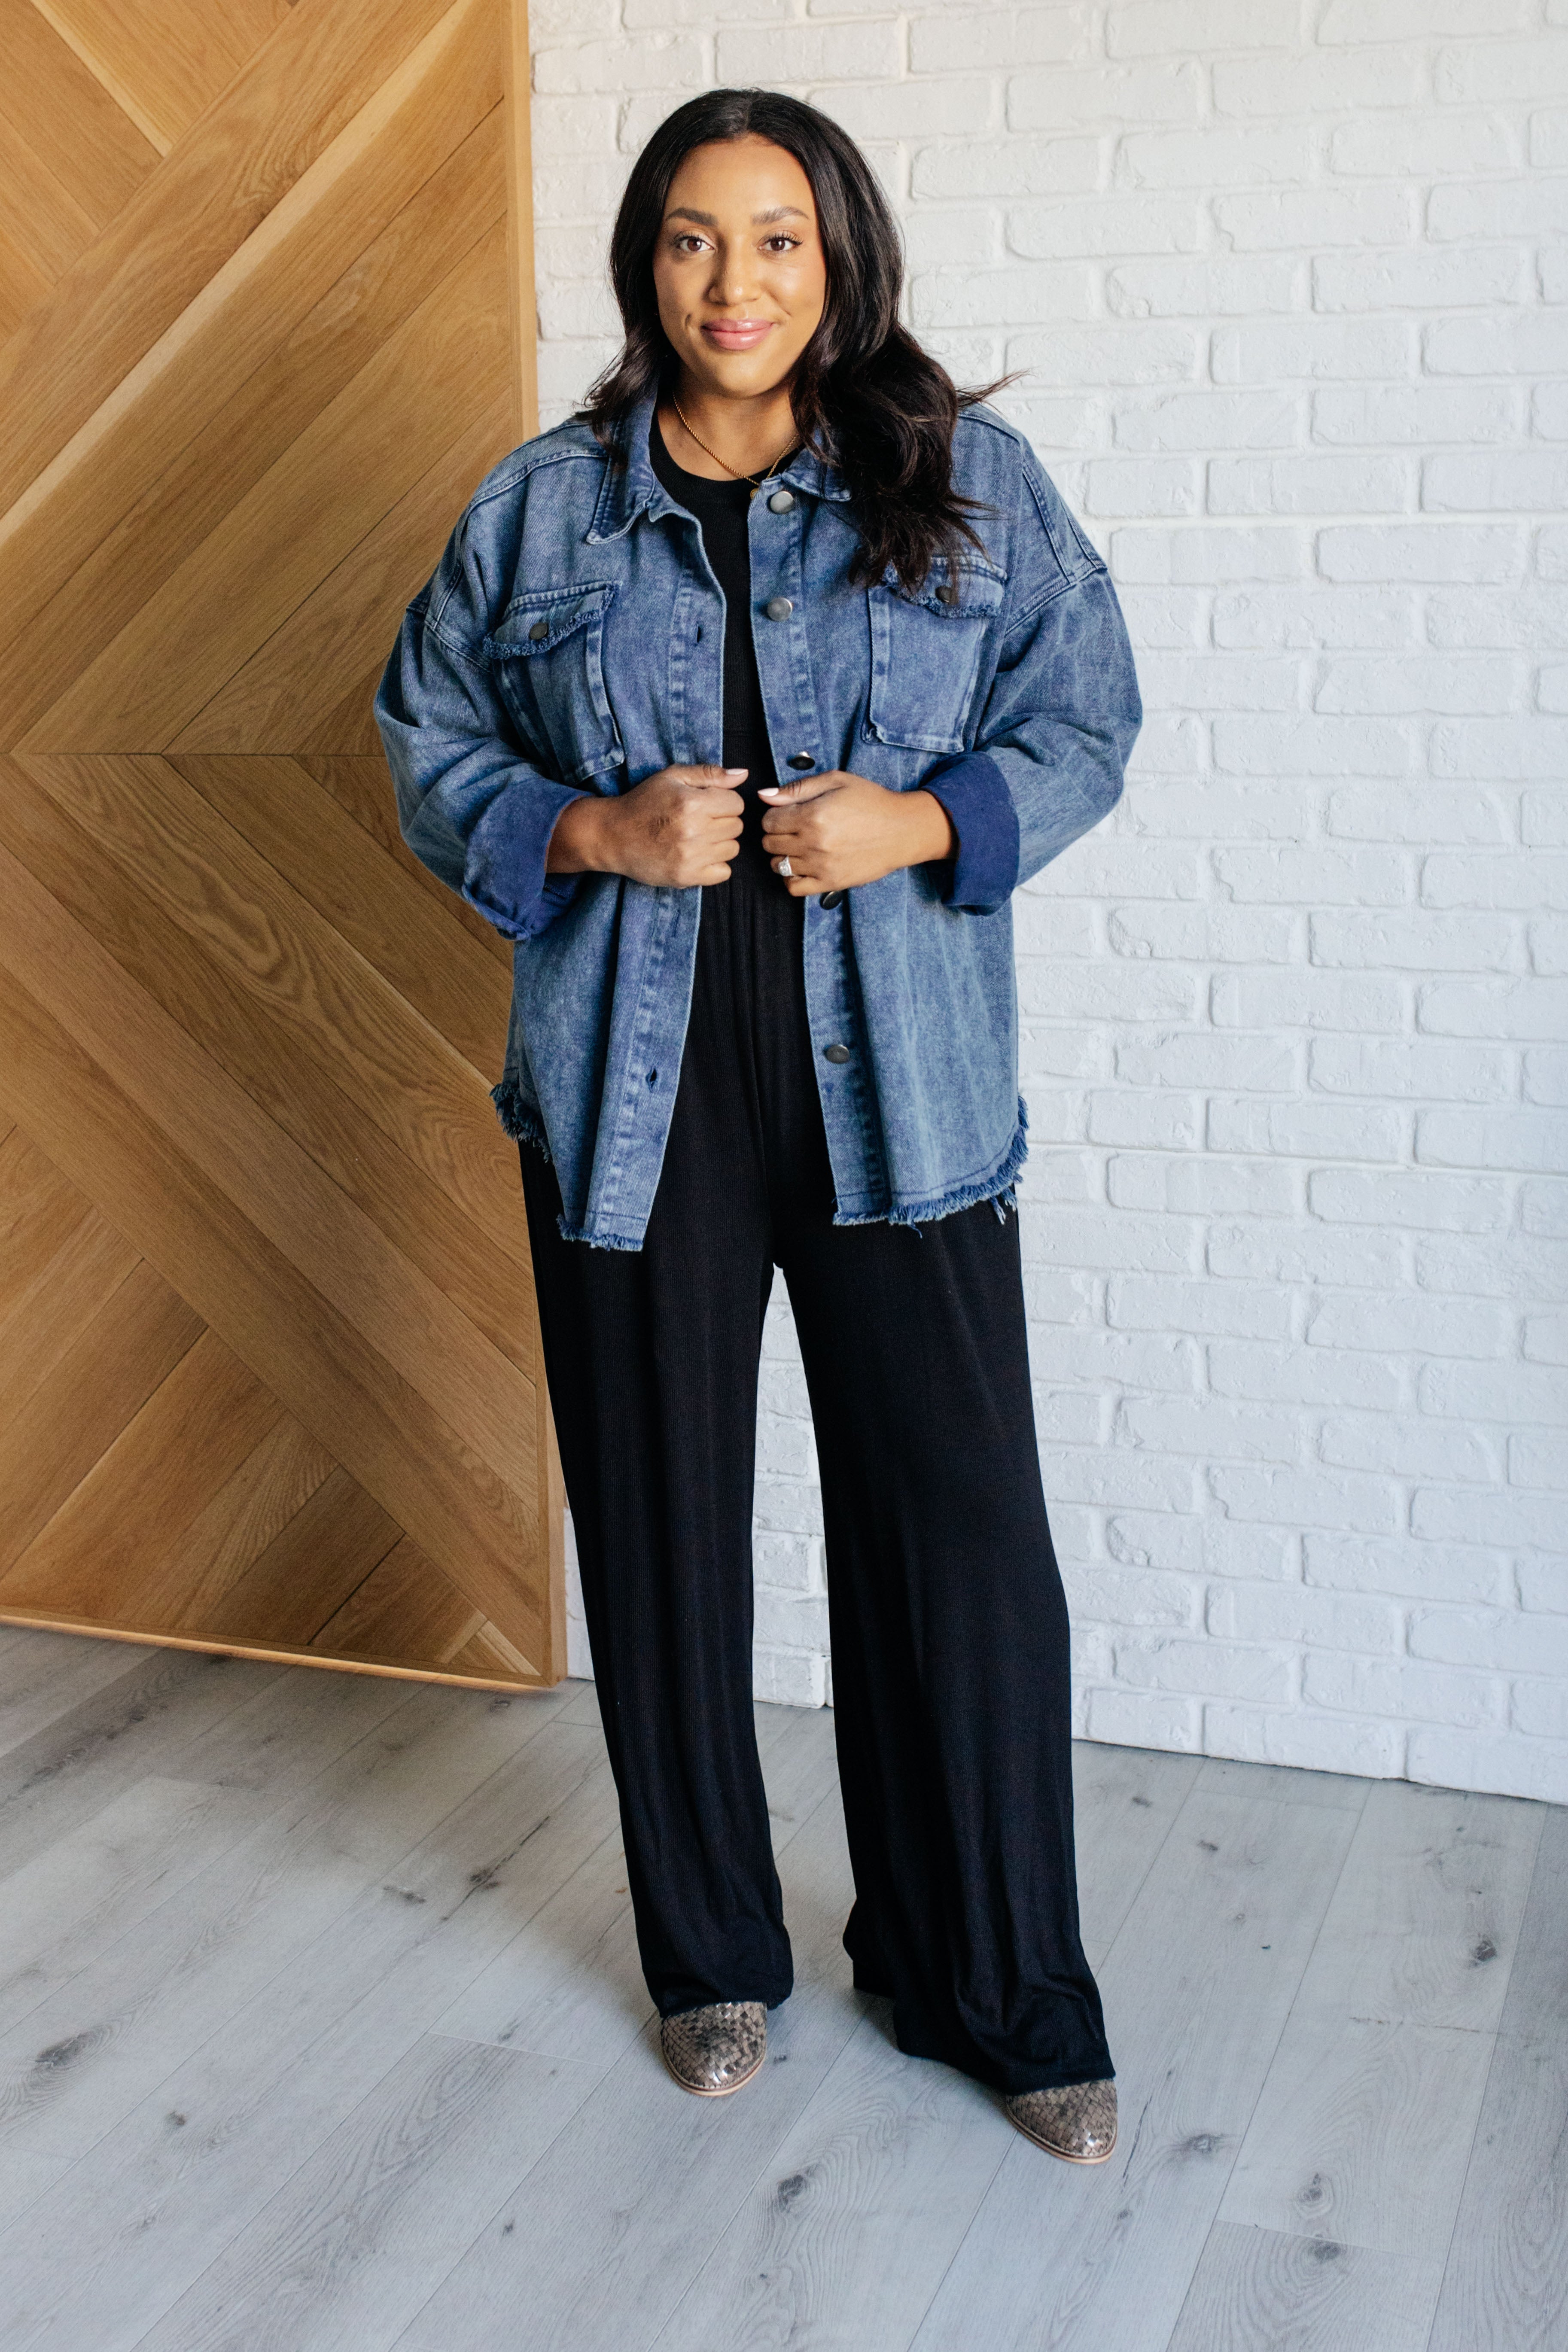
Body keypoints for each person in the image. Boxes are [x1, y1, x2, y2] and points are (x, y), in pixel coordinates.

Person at [377, 87, 1141, 2165]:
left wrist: (926, 820)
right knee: (661, 1527)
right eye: (694, 239)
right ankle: (710, 1952)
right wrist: (588, 829)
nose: (736, 283)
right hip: (631, 1102)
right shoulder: (541, 509)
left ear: (840, 258)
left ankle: (991, 1979)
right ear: (647, 263)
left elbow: (1086, 716)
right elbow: (424, 732)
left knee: (960, 1537)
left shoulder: (967, 485)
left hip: (904, 1087)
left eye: (778, 238)